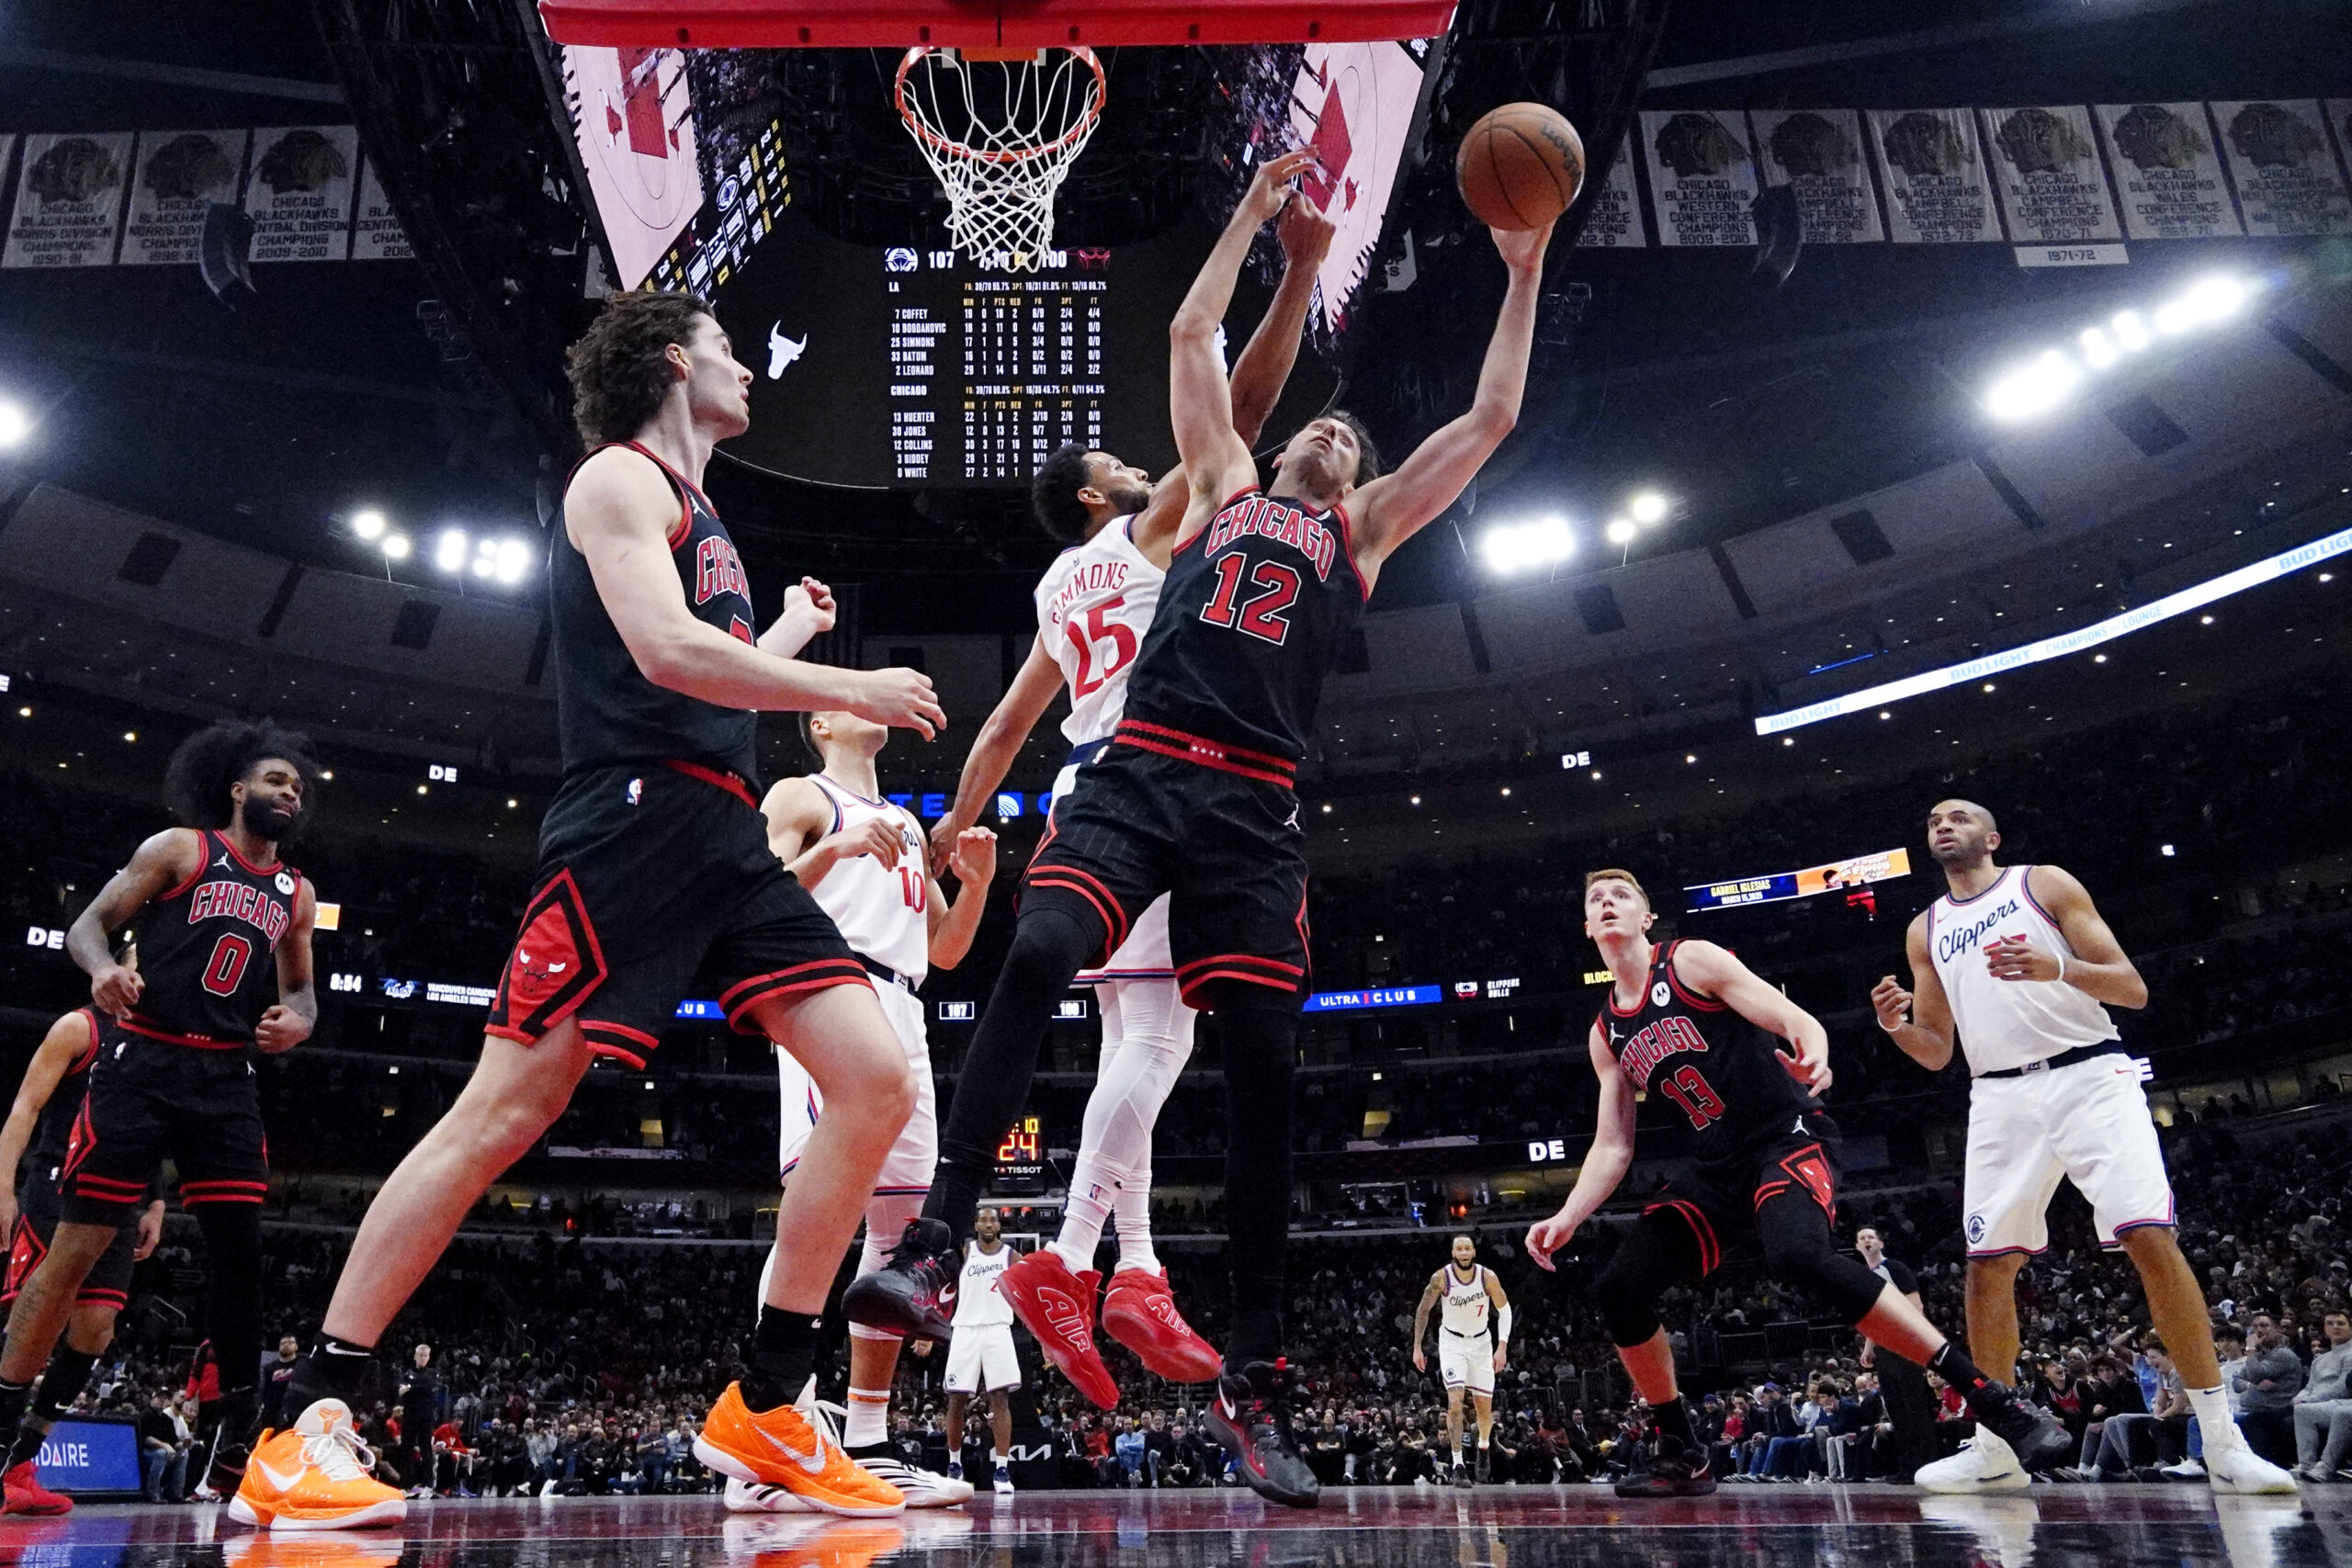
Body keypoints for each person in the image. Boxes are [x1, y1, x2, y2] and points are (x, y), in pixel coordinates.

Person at [852, 146, 1556, 1510]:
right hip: (1137, 773)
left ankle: (1260, 1376)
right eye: (1325, 431)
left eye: (1352, 441)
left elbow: (1487, 417)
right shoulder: (1217, 488)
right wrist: (1256, 215)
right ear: (1276, 444)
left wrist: (1519, 270)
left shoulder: (1362, 536)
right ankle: (940, 1245)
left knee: (1267, 1084)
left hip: (1254, 807)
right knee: (1040, 947)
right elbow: (1191, 331)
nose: (1337, 439)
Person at [255, 289, 944, 1528]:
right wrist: (848, 679)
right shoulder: (612, 480)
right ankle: (304, 1409)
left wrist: (788, 625)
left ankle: (769, 1399)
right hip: (628, 829)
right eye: (733, 349)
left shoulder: (701, 510)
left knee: (876, 1077)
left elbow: (711, 680)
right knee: (503, 1111)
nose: (751, 370)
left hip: (721, 830)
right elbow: (666, 655)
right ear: (679, 363)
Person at [921, 194, 1333, 1405]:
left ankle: (1138, 1260)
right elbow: (1239, 413)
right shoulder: (1153, 537)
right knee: (1160, 1036)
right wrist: (1293, 270)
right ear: (1104, 501)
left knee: (1132, 1038)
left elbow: (1002, 723)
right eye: (1121, 469)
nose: (1144, 467)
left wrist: (953, 822)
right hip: (1164, 783)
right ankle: (1071, 1248)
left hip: (1081, 793)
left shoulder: (1056, 585)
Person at [1527, 869, 2068, 1499]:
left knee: (1799, 1254)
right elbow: (1615, 1144)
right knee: (1620, 1285)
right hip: (1714, 1167)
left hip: (1785, 1135)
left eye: (1622, 895)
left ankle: (1990, 1396)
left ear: (1647, 918)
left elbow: (1791, 1015)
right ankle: (1681, 1446)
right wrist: (1568, 1214)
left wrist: (1813, 1047)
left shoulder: (1691, 960)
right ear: (1589, 928)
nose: (1608, 902)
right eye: (1596, 899)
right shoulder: (1605, 1032)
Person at [1873, 798, 2296, 1495]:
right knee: (1986, 1270)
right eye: (1931, 821)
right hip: (2000, 1096)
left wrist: (2058, 968)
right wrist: (1897, 1027)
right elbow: (1935, 1048)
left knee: (2151, 1238)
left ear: (1992, 835)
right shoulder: (1925, 929)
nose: (1941, 825)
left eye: (1957, 816)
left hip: (2090, 1072)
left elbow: (2131, 988)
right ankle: (1996, 1443)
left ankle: (2224, 1440)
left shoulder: (2045, 885)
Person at [0, 720, 322, 1517]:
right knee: (71, 1257)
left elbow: (304, 992)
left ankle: (233, 1442)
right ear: (237, 786)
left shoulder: (297, 894)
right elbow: (86, 926)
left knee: (241, 1254)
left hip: (225, 1073)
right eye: (277, 779)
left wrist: (301, 1019)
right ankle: (6, 1437)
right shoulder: (181, 848)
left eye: (300, 789)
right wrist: (106, 968)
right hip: (139, 1062)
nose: (291, 793)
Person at [732, 705, 997, 1510]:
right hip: (828, 990)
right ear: (820, 723)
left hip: (904, 1006)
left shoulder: (912, 827)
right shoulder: (801, 796)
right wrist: (838, 848)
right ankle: (769, 1432)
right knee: (818, 1215)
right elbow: (750, 891)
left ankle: (869, 1441)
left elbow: (945, 950)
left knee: (898, 1235)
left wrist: (977, 884)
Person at [0, 998, 166, 1513]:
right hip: (57, 1185)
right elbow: (25, 1106)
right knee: (30, 1322)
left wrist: (156, 1202)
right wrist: (3, 1188)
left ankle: (21, 1464)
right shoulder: (80, 1026)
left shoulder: (162, 1038)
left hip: (121, 1198)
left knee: (96, 1328)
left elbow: (156, 1127)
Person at [1408, 1234, 1510, 1485]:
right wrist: (1417, 1347)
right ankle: (1458, 1465)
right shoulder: (1441, 1277)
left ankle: (1484, 1447)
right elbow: (1423, 1310)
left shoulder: (1488, 1277)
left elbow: (1505, 1310)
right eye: (1459, 1249)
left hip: (1481, 1343)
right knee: (1455, 1402)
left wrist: (1502, 1347)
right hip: (1452, 1342)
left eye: (1468, 1249)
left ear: (1473, 1252)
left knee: (1483, 1409)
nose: (1464, 1253)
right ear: (1453, 1254)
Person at [940, 1208, 1021, 1497]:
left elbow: (1029, 1296)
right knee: (956, 1399)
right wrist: (929, 1331)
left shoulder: (1011, 1257)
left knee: (1000, 1399)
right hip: (965, 1330)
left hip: (998, 1329)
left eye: (993, 1219)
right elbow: (945, 1290)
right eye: (983, 1219)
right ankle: (954, 1465)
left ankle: (1001, 1469)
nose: (988, 1223)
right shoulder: (964, 1251)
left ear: (999, 1225)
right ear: (975, 1225)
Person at [1854, 1224, 1936, 1480]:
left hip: (1905, 1344)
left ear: (1880, 1243)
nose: (1867, 1241)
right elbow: (1871, 1316)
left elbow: (1916, 1305)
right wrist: (1868, 1349)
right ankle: (1908, 1467)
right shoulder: (1864, 1277)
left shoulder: (1895, 1269)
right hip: (1884, 1349)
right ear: (1857, 1247)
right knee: (1897, 1409)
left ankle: (1928, 1465)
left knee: (1914, 1407)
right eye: (1862, 1238)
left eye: (1871, 1237)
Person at [2292, 1307, 2352, 1483]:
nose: (2336, 1327)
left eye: (2341, 1323)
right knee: (2302, 1411)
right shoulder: (2320, 1360)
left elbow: (2342, 1387)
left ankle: (2326, 1467)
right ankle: (2306, 1465)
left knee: (2341, 1414)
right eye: (2330, 1324)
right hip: (2322, 1402)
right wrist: (2300, 1398)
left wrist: (2308, 1400)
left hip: (2342, 1401)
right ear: (2325, 1328)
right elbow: (2310, 1386)